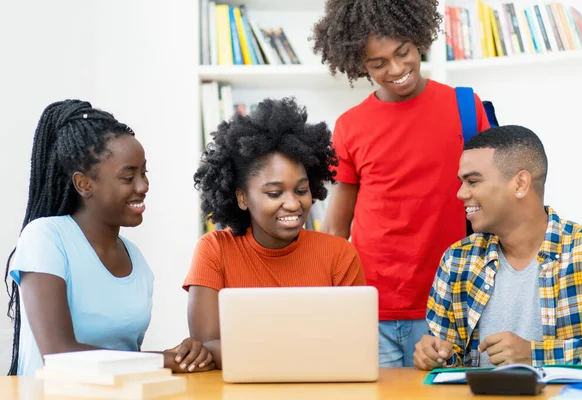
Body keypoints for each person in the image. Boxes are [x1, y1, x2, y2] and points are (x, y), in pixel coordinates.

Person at [311, 0, 490, 367]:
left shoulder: (465, 107)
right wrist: (325, 303)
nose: (396, 69)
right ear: (359, 65)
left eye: (403, 53)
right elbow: (335, 227)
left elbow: (493, 202)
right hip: (370, 304)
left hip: (448, 303)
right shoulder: (350, 126)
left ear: (416, 37)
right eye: (378, 63)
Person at [6, 100, 212, 376]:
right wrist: (164, 360)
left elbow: (126, 360)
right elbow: (57, 353)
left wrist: (185, 354)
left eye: (144, 173)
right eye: (128, 177)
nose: (143, 186)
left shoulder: (136, 259)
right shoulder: (45, 238)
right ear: (84, 184)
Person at [184, 97, 366, 370]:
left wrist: (251, 350)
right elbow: (206, 346)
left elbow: (355, 347)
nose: (293, 204)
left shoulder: (339, 254)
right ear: (242, 198)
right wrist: (305, 353)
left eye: (301, 190)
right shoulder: (214, 250)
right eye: (274, 193)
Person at [414, 125, 582, 370]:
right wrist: (436, 355)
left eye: (472, 181)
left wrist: (536, 354)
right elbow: (450, 358)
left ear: (520, 184)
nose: (461, 193)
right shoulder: (456, 260)